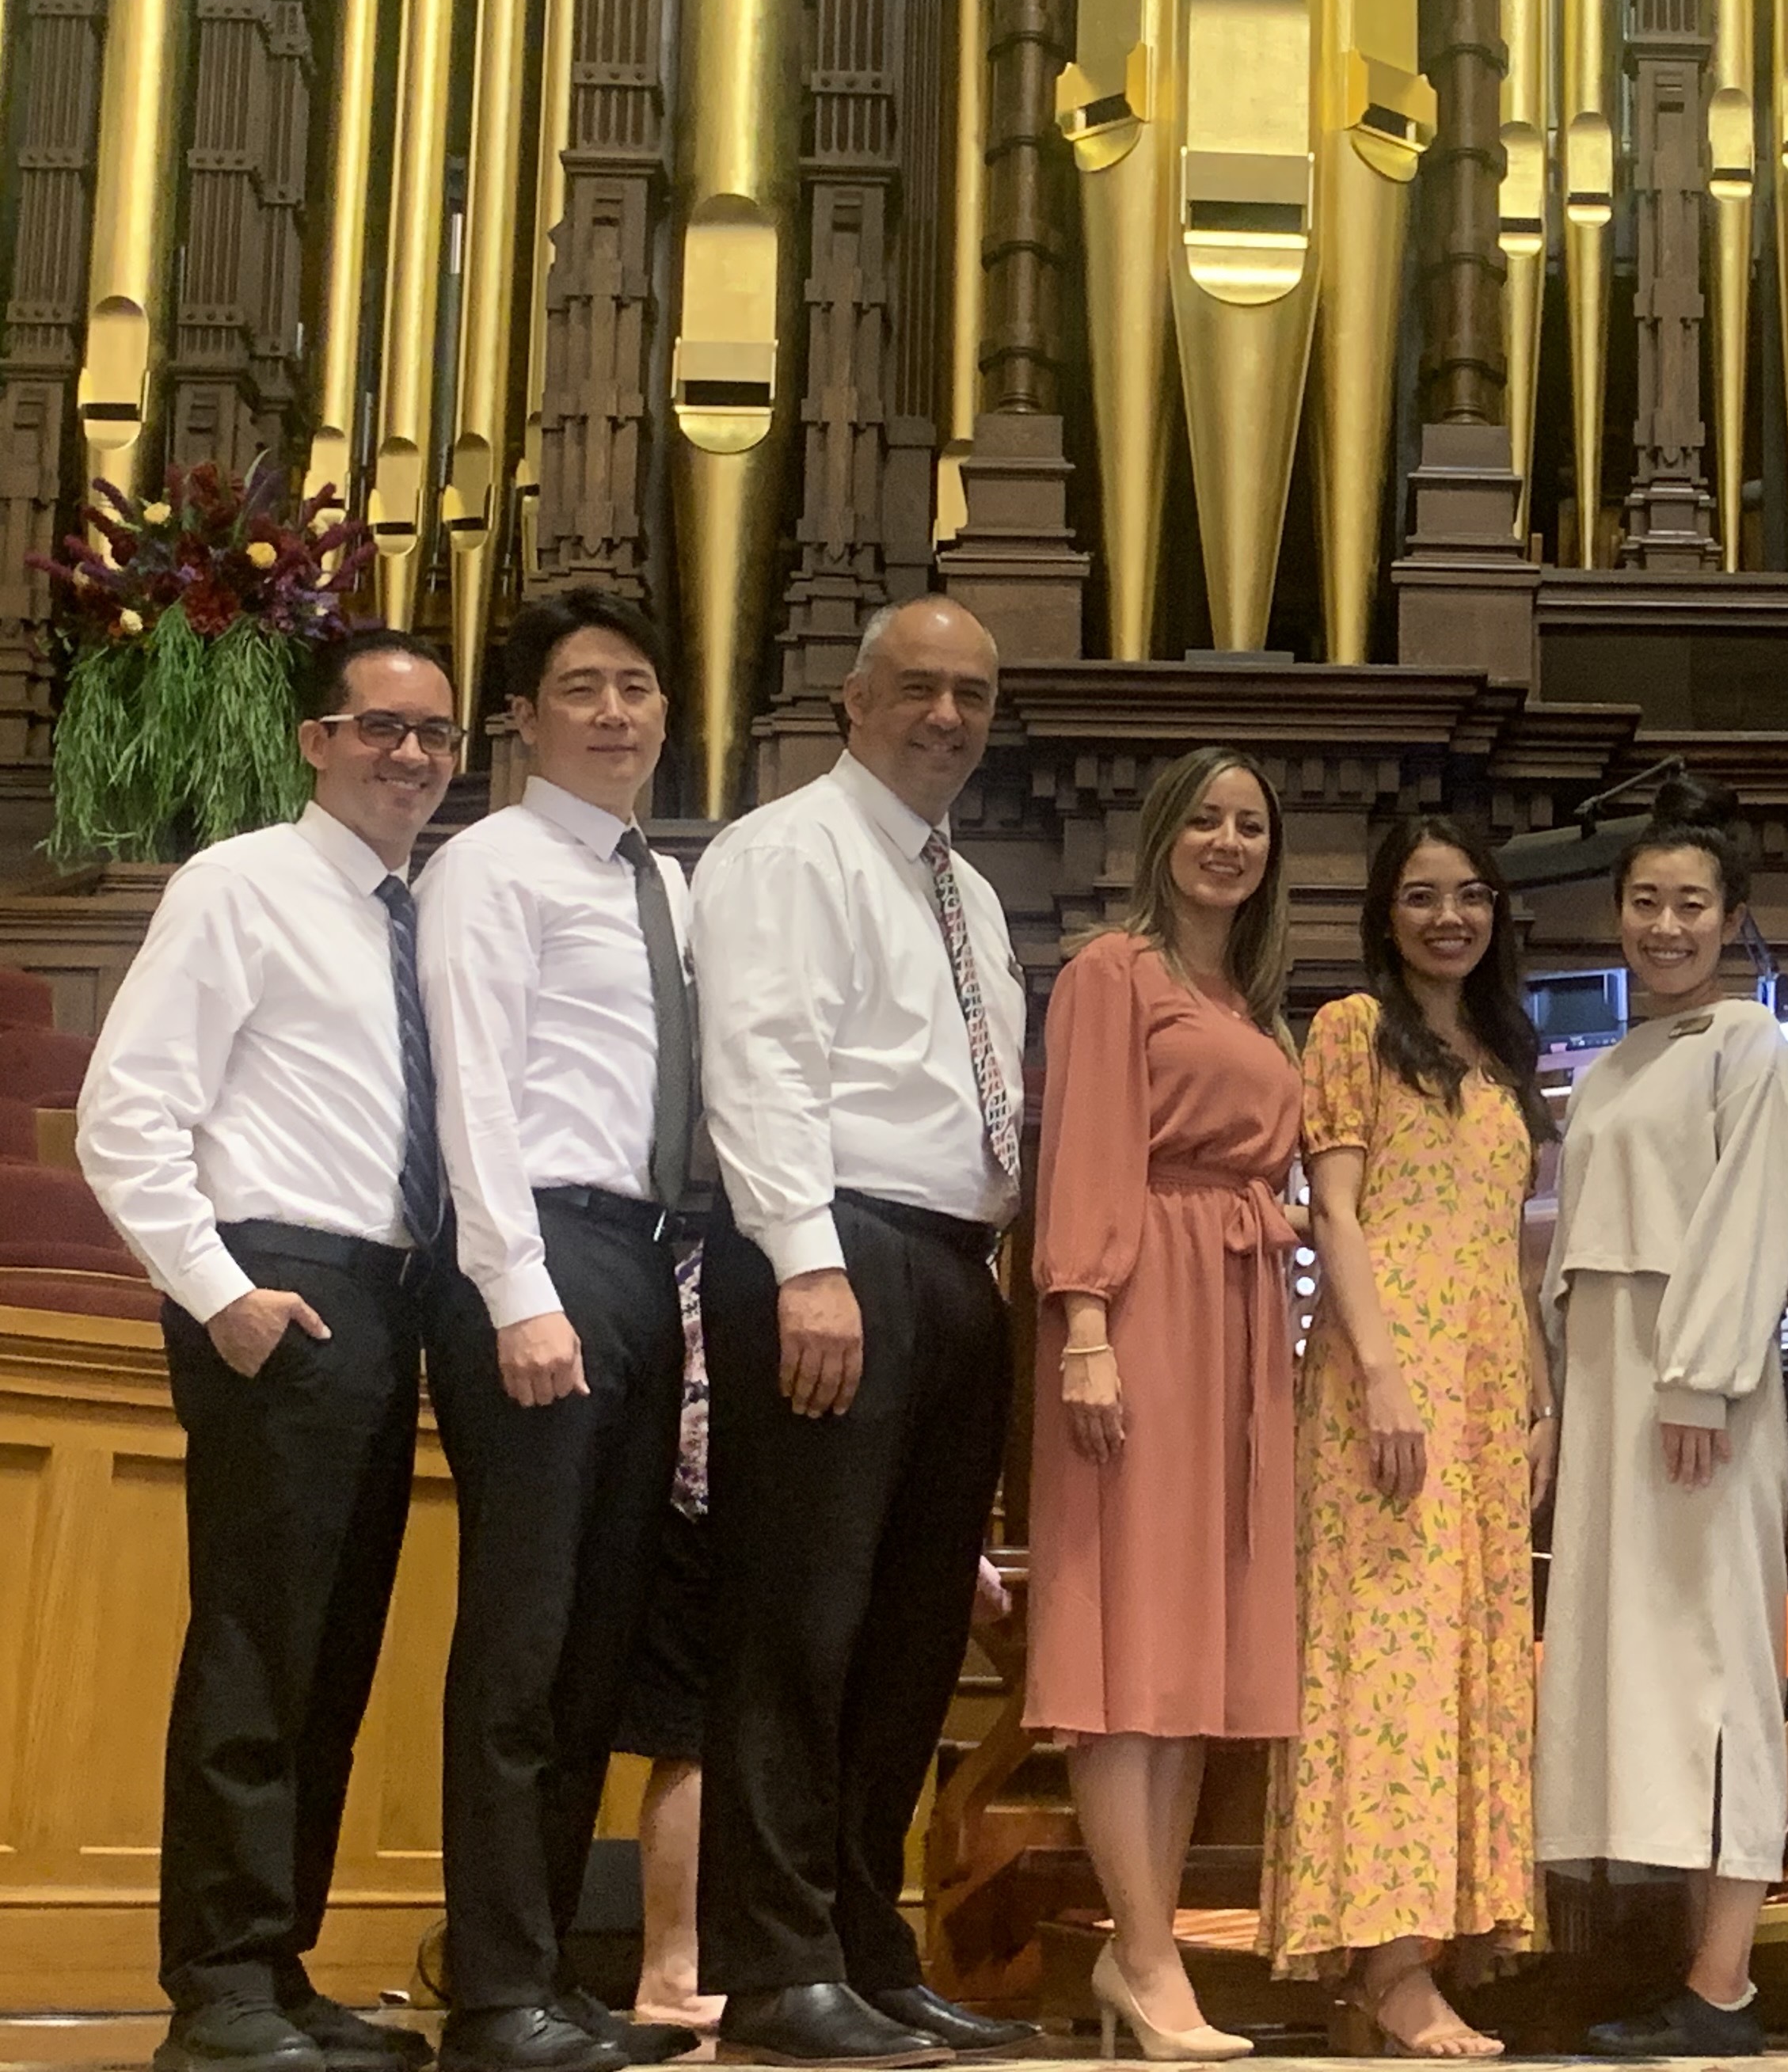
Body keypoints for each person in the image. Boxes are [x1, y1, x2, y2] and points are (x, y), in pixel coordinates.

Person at [76, 627, 459, 2072]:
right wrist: (220, 1290)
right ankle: (220, 1984)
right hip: (278, 1282)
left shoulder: (411, 910)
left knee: (332, 1651)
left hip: (385, 1290)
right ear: (318, 739)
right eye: (382, 726)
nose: (411, 754)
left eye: (434, 733)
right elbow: (127, 1110)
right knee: (255, 1644)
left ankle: (280, 1961)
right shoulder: (240, 882)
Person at [687, 596, 1038, 2066]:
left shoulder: (972, 890)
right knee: (802, 1622)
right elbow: (759, 1055)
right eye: (918, 689)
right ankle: (774, 1964)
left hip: (954, 1264)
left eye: (970, 694)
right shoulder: (787, 850)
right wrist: (807, 1264)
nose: (947, 716)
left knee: (905, 1639)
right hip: (837, 1246)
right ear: (853, 699)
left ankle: (863, 1941)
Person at [417, 592, 701, 2072]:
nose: (614, 711)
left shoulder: (663, 878)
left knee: (595, 1648)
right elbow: (471, 1082)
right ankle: (491, 1988)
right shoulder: (493, 865)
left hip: (644, 1265)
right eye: (581, 688)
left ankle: (544, 1982)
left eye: (637, 686)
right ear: (521, 718)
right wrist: (516, 1284)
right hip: (539, 1254)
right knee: (523, 1643)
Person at [1262, 818, 1553, 2057]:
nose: (1450, 916)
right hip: (1389, 1378)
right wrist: (1381, 1375)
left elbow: (1510, 1248)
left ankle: (1437, 1938)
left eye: (1471, 895)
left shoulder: (1495, 1050)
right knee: (1386, 1661)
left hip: (1491, 1390)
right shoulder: (1350, 1033)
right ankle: (1386, 1965)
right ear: (1384, 912)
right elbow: (1334, 1212)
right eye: (1423, 896)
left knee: (1469, 1662)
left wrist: (1538, 1400)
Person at [1033, 746, 1304, 2063]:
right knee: (1127, 1640)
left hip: (1239, 1310)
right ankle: (1141, 1951)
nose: (1228, 838)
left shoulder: (1246, 997)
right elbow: (1086, 1143)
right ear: (1158, 832)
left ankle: (1147, 1947)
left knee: (1193, 1645)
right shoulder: (1112, 971)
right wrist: (1085, 1323)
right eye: (1202, 814)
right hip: (1138, 1302)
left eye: (1249, 821)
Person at [1538, 789, 1788, 2060]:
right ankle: (1681, 1964)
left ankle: (1727, 1982)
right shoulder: (1615, 1063)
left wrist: (1699, 1377)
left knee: (1714, 1665)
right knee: (1635, 1670)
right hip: (1607, 1375)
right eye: (1646, 902)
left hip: (1694, 1377)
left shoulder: (1747, 1046)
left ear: (1731, 919)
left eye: (1692, 904)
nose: (1665, 924)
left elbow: (1752, 1217)